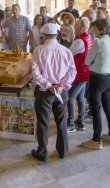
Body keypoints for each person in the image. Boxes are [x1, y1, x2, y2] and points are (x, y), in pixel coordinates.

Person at [31, 23, 76, 161]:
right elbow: (72, 70)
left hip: (45, 92)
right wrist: (63, 85)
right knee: (62, 121)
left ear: (43, 35)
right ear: (56, 35)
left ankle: (42, 152)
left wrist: (48, 85)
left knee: (43, 122)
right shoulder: (65, 50)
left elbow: (35, 73)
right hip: (61, 91)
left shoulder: (39, 50)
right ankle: (63, 151)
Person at [81, 19, 110, 150]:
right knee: (108, 106)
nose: (93, 31)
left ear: (101, 29)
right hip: (109, 77)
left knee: (95, 108)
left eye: (95, 29)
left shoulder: (98, 42)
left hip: (97, 78)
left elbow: (87, 60)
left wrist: (92, 62)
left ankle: (96, 140)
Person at [67, 17, 92, 132]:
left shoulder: (79, 41)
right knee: (80, 98)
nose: (74, 29)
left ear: (81, 28)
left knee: (70, 98)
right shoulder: (87, 37)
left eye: (76, 27)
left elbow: (69, 53)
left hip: (79, 73)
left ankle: (71, 124)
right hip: (85, 72)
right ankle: (80, 122)